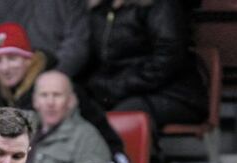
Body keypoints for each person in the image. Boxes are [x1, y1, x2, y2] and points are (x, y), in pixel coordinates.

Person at [0, 22, 130, 163]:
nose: (5, 67)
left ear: (28, 59)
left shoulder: (53, 85)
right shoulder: (0, 91)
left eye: (12, 58)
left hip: (98, 160)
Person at [83, 0, 208, 128]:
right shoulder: (98, 9)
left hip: (172, 93)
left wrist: (118, 86)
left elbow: (168, 58)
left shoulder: (161, 5)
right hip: (116, 92)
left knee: (124, 118)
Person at [0, 0, 90, 111]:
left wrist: (50, 79)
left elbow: (77, 46)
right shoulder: (4, 3)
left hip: (54, 81)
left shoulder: (70, 3)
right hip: (10, 89)